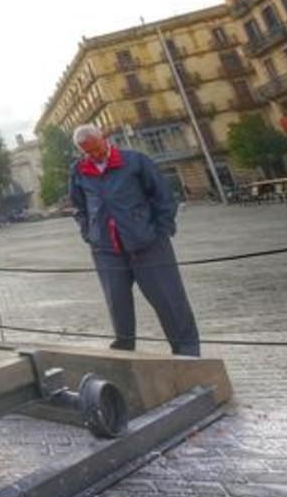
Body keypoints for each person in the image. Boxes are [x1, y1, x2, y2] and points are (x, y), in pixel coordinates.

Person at [68, 124, 200, 356]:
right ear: (81, 150)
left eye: (97, 148)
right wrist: (89, 234)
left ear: (104, 138)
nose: (95, 155)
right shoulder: (79, 171)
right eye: (88, 152)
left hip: (148, 244)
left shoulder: (136, 161)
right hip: (106, 249)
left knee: (169, 299)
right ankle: (124, 349)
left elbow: (163, 197)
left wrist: (161, 231)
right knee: (117, 303)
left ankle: (187, 350)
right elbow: (79, 207)